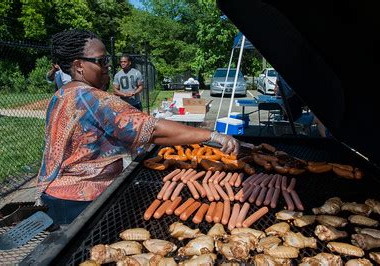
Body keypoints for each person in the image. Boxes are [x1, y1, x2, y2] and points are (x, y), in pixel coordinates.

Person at [36, 29, 241, 225]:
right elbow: (151, 129)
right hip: (80, 199)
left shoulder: (62, 94)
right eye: (102, 61)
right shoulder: (92, 97)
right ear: (78, 65)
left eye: (108, 60)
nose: (108, 65)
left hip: (55, 194)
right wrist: (212, 135)